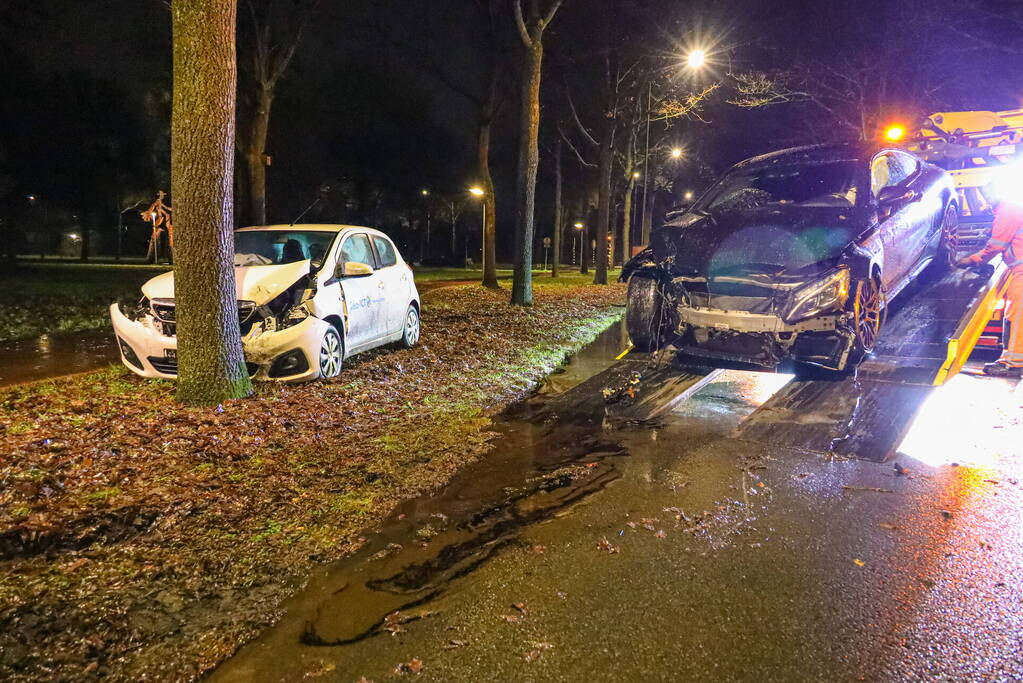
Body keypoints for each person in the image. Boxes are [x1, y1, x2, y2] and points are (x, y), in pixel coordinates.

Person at [958, 200, 1023, 377]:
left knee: (1016, 317)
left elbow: (996, 245)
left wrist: (974, 259)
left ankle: (1013, 364)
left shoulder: (1009, 208)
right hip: (1017, 268)